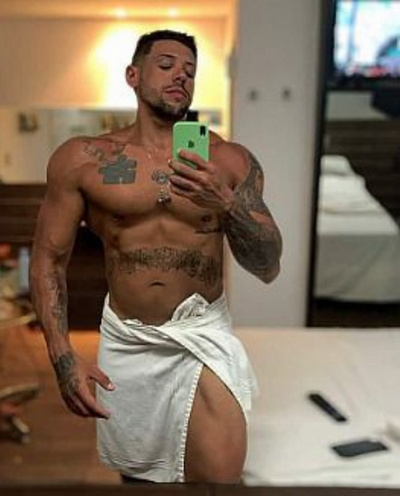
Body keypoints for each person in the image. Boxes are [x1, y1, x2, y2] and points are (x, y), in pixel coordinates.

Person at [29, 30, 282, 484]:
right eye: (166, 65)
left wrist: (225, 203)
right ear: (133, 75)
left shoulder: (229, 162)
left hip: (201, 333)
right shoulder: (83, 160)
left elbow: (268, 266)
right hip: (129, 340)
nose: (180, 76)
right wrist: (62, 356)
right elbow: (49, 260)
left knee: (218, 481)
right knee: (142, 479)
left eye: (189, 72)